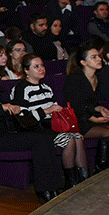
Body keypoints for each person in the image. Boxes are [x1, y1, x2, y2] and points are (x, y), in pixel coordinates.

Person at [0, 57, 66, 203]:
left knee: (45, 137)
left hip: (8, 131)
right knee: (38, 140)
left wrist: (11, 108)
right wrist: (2, 108)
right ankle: (45, 190)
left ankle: (54, 187)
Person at [10, 53, 89, 188]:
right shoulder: (22, 89)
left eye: (42, 65)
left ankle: (83, 180)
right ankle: (71, 182)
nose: (41, 69)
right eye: (36, 67)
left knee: (77, 137)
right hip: (37, 128)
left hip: (52, 125)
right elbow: (23, 117)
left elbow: (57, 113)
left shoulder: (46, 88)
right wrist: (47, 111)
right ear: (26, 71)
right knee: (69, 140)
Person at [63, 43, 109, 171]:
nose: (99, 59)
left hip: (89, 117)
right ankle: (100, 169)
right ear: (83, 62)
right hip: (78, 120)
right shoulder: (75, 79)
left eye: (98, 56)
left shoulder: (96, 78)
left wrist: (101, 109)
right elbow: (75, 106)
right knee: (108, 134)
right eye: (94, 57)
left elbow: (93, 103)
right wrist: (94, 119)